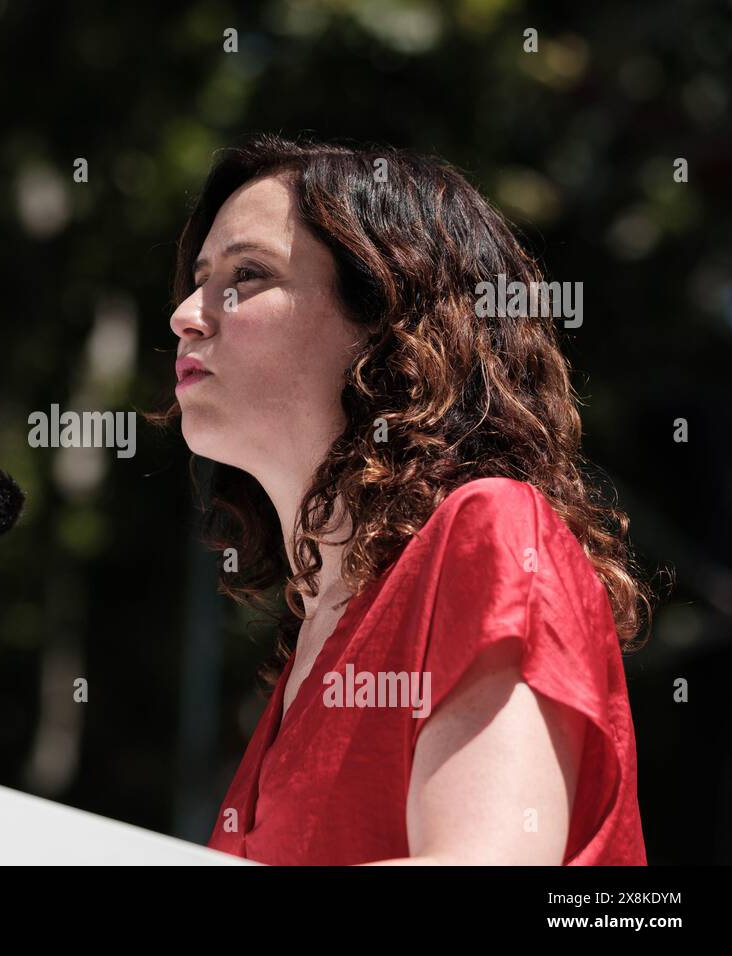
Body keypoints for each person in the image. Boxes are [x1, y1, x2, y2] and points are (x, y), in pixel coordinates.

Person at [154, 133, 657, 865]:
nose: (187, 314)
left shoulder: (492, 528)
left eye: (246, 276)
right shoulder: (314, 638)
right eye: (197, 280)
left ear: (389, 324)